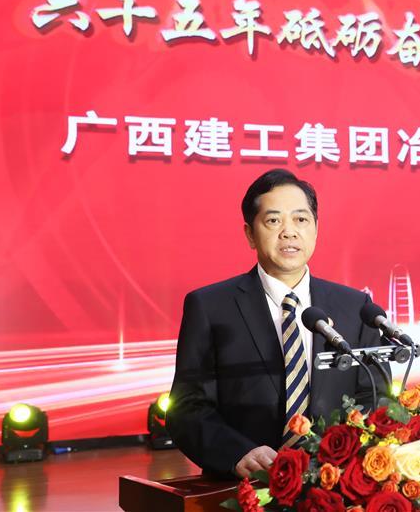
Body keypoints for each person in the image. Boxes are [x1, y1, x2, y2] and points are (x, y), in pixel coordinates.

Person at [166, 169, 388, 478]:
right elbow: (187, 408)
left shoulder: (356, 307)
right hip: (245, 486)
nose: (289, 232)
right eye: (273, 221)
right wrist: (237, 453)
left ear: (315, 229)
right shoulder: (210, 307)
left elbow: (375, 397)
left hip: (336, 484)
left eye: (301, 219)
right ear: (250, 234)